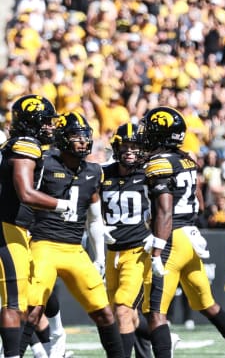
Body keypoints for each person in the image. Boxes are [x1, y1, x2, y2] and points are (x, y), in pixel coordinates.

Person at [140, 106, 225, 358]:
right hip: (191, 236)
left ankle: (165, 348)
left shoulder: (159, 163)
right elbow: (200, 203)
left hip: (171, 237)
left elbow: (164, 211)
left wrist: (158, 249)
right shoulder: (187, 160)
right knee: (208, 305)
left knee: (155, 313)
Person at [19, 112, 125, 357]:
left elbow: (95, 219)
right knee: (33, 310)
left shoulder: (93, 171)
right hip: (43, 243)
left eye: (85, 136)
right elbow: (27, 197)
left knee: (104, 312)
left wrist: (99, 256)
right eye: (76, 136)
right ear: (63, 138)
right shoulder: (45, 162)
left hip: (74, 248)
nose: (83, 141)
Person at [0, 95, 75, 358]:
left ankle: (47, 346)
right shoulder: (26, 145)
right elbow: (26, 193)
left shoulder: (19, 144)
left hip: (17, 228)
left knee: (35, 291)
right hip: (7, 229)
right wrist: (61, 205)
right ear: (32, 123)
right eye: (45, 122)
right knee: (13, 302)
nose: (51, 127)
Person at [99, 122, 153, 358]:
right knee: (121, 312)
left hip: (138, 251)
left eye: (135, 146)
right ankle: (162, 337)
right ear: (116, 147)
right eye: (126, 146)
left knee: (122, 308)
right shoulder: (103, 174)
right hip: (112, 253)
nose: (130, 151)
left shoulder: (149, 176)